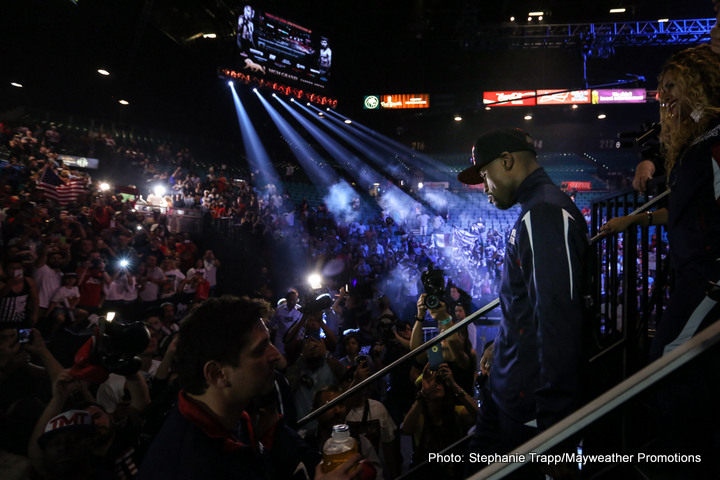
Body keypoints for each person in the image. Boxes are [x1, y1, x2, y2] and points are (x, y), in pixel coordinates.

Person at [599, 44, 720, 475]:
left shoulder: (715, 145)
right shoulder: (698, 145)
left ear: (697, 86)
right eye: (659, 86)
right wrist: (637, 218)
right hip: (695, 276)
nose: (660, 95)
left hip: (709, 279)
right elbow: (693, 211)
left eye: (670, 86)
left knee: (666, 365)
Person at [457, 128, 589, 478]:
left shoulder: (544, 213)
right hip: (505, 391)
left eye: (485, 176)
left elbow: (558, 323)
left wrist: (553, 422)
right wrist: (501, 344)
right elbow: (527, 305)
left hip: (527, 406)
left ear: (507, 161)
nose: (484, 189)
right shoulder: (536, 209)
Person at [136, 296, 362, 480]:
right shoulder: (188, 465)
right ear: (217, 374)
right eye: (261, 348)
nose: (275, 355)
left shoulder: (239, 418)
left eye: (271, 342)